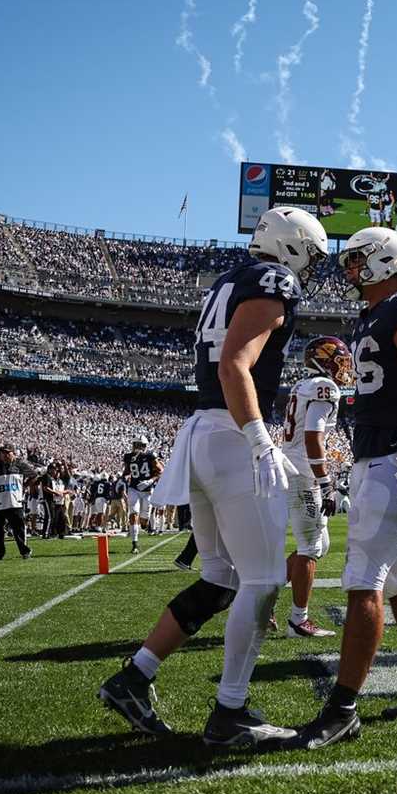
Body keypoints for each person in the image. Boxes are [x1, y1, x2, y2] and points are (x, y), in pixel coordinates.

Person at [98, 206, 328, 747]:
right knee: (265, 579)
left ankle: (134, 676)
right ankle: (231, 712)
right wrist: (258, 438)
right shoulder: (274, 279)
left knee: (220, 578)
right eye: (311, 255)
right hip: (231, 435)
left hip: (202, 429)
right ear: (293, 246)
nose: (311, 267)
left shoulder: (229, 279)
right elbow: (235, 365)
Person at [296, 226, 397, 750]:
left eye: (358, 260)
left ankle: (342, 709)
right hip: (376, 456)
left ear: (386, 260)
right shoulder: (374, 314)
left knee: (364, 582)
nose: (349, 270)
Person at [280, 335, 354, 638]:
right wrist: (325, 483)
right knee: (310, 546)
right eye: (339, 360)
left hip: (297, 469)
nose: (344, 367)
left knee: (319, 545)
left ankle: (263, 600)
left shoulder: (304, 386)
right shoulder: (325, 388)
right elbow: (313, 436)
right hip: (303, 473)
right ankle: (299, 620)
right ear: (324, 361)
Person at [0, 443, 33, 559]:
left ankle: (25, 551)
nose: (5, 455)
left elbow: (34, 475)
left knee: (18, 528)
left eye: (8, 452)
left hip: (15, 502)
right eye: (3, 453)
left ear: (13, 453)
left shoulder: (19, 465)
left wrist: (24, 487)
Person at [123, 438, 162, 552]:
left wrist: (150, 481)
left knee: (143, 522)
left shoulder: (150, 456)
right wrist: (124, 476)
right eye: (136, 444)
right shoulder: (128, 457)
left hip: (147, 491)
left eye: (139, 445)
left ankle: (145, 524)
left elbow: (160, 471)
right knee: (133, 513)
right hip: (134, 488)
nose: (137, 447)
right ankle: (134, 544)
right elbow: (126, 471)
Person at [38, 460, 69, 540]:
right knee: (50, 517)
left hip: (52, 499)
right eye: (54, 469)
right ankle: (46, 533)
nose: (55, 471)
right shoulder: (47, 477)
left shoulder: (51, 478)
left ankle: (51, 533)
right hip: (47, 499)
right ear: (50, 469)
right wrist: (56, 492)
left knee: (54, 517)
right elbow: (46, 488)